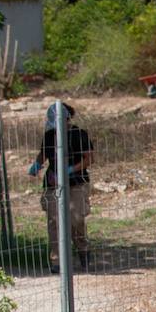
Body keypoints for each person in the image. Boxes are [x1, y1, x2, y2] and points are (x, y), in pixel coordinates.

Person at [28, 102, 93, 274]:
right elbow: (43, 154)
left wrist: (69, 170)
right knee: (54, 222)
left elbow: (89, 159)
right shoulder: (49, 136)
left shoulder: (79, 135)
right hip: (52, 183)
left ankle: (83, 251)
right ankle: (57, 261)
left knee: (76, 219)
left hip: (76, 182)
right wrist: (36, 165)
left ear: (66, 119)